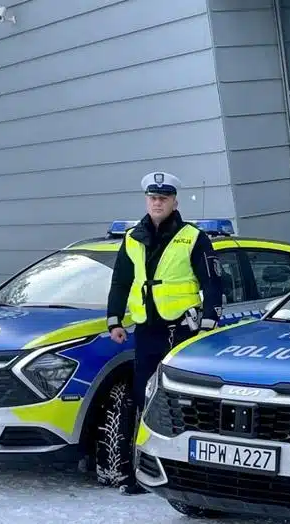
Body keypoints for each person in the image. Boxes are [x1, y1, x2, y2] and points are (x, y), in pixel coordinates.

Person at [103, 171, 225, 493]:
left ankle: (189, 473)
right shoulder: (133, 238)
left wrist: (209, 323)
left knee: (182, 400)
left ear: (174, 202)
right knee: (143, 397)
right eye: (153, 198)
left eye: (164, 198)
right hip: (147, 330)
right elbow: (120, 281)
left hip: (182, 331)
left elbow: (213, 283)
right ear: (147, 201)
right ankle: (138, 472)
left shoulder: (193, 237)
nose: (157, 203)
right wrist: (114, 320)